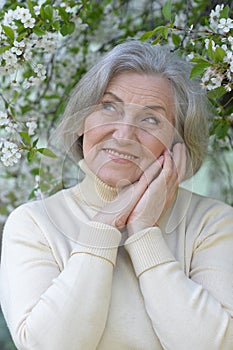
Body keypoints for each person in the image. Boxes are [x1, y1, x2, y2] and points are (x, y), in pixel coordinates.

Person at [0, 40, 233, 350]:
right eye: (109, 107)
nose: (123, 135)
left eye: (151, 119)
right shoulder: (34, 224)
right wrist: (106, 224)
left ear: (179, 144)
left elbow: (212, 345)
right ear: (83, 121)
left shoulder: (212, 223)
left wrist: (143, 232)